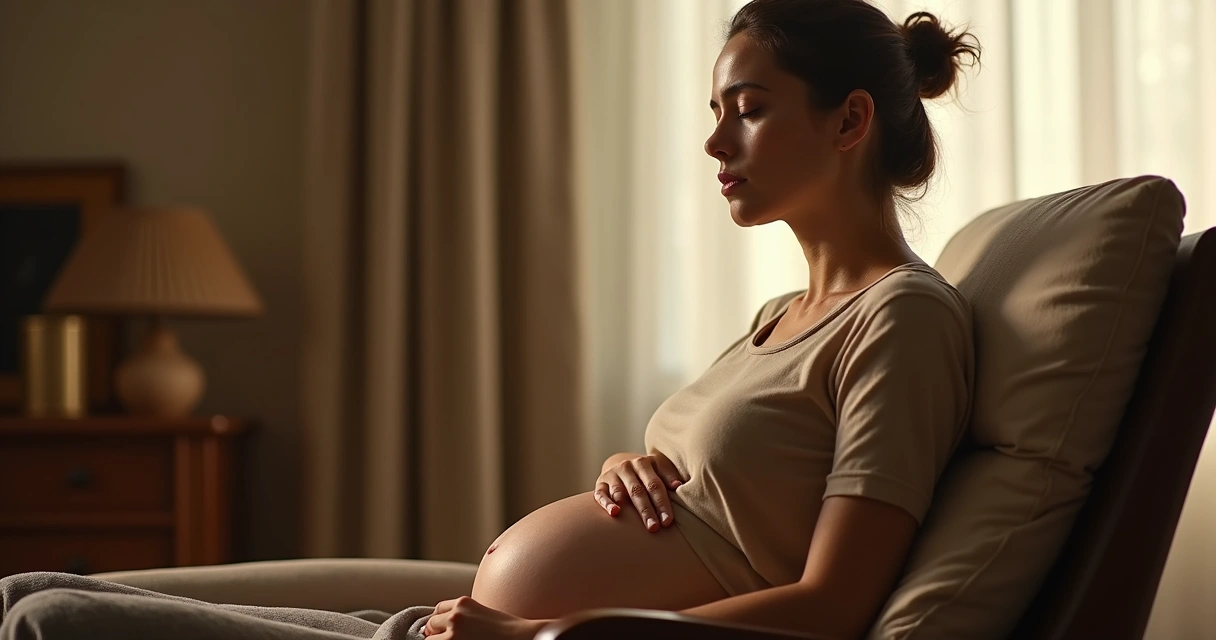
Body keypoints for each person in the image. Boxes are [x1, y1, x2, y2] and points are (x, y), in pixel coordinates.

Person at [0, 1, 979, 639]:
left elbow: (832, 610)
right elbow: (719, 498)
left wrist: (531, 636)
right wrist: (627, 468)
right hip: (446, 624)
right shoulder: (782, 313)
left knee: (55, 622)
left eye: (748, 108)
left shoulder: (901, 320)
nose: (714, 139)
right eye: (715, 108)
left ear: (849, 122)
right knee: (25, 591)